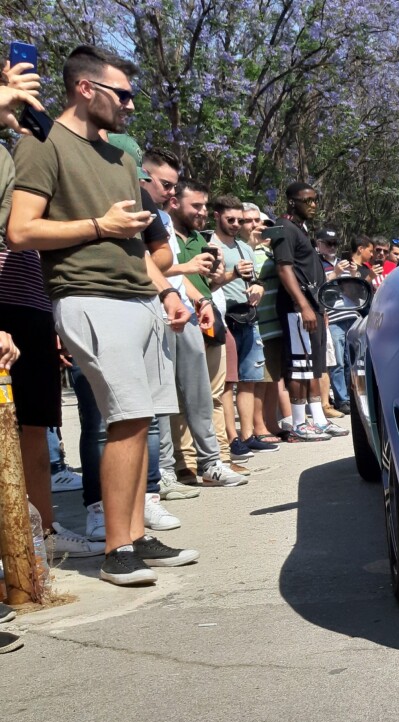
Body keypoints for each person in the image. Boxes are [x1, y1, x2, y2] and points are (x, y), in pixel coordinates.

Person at [8, 44, 199, 585]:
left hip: (140, 298)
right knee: (125, 417)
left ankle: (136, 535)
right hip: (86, 295)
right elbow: (20, 230)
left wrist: (164, 292)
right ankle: (116, 550)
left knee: (144, 420)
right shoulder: (42, 144)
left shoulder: (124, 156)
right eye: (123, 94)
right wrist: (98, 226)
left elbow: (139, 242)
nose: (131, 106)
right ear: (85, 88)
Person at [0, 59, 100, 559]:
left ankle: (37, 542)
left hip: (32, 304)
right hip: (2, 310)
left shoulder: (22, 149)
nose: (21, 93)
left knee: (35, 424)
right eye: (10, 83)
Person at [166, 179, 247, 484]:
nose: (201, 211)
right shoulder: (164, 240)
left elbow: (209, 285)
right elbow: (167, 275)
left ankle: (221, 459)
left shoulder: (200, 241)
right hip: (181, 321)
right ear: (175, 203)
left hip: (212, 322)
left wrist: (230, 275)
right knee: (181, 399)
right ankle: (184, 463)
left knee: (213, 396)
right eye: (195, 206)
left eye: (204, 205)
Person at [273, 181, 344, 439]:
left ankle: (319, 418)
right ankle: (300, 423)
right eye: (308, 200)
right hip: (297, 308)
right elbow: (284, 268)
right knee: (299, 366)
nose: (313, 205)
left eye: (315, 200)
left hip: (314, 306)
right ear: (292, 201)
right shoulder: (282, 227)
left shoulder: (301, 230)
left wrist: (318, 308)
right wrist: (303, 305)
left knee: (313, 365)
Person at [209, 193, 275, 459]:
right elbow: (211, 284)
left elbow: (257, 280)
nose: (236, 224)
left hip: (249, 316)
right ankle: (231, 437)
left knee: (249, 379)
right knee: (227, 382)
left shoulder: (245, 247)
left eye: (239, 220)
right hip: (224, 317)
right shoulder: (210, 245)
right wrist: (233, 274)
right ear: (217, 217)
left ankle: (248, 435)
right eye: (231, 219)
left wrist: (259, 288)